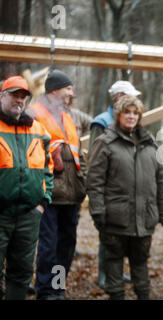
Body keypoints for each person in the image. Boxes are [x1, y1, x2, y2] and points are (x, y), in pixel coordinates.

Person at [87, 95, 163, 300]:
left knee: (140, 265)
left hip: (144, 219)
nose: (131, 116)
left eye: (135, 113)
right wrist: (98, 210)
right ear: (118, 115)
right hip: (115, 219)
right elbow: (94, 181)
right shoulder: (105, 142)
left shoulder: (150, 144)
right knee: (114, 264)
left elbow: (161, 180)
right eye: (127, 112)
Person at [28, 70, 87, 300]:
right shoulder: (33, 113)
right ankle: (46, 292)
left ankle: (58, 288)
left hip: (70, 194)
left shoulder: (67, 116)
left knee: (65, 248)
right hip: (49, 193)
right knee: (48, 247)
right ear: (54, 91)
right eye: (68, 89)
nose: (71, 93)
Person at [0, 76, 53, 300]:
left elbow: (48, 168)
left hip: (28, 216)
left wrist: (43, 202)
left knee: (20, 274)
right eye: (14, 95)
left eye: (23, 97)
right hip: (0, 215)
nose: (19, 100)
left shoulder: (39, 130)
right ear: (2, 96)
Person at [88, 80, 141, 288]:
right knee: (107, 234)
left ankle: (118, 273)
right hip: (109, 188)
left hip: (127, 188)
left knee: (124, 234)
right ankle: (104, 274)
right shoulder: (101, 122)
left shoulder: (131, 121)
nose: (135, 101)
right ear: (119, 97)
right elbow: (94, 159)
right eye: (130, 96)